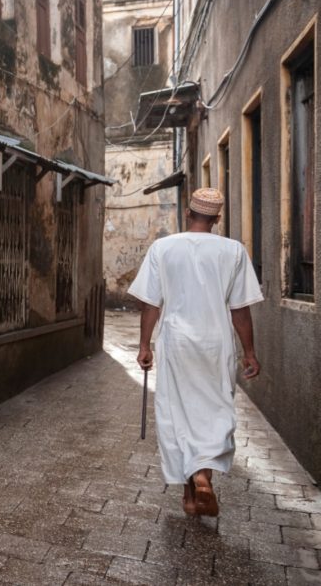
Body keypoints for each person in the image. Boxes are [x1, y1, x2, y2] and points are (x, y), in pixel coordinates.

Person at [127, 188, 263, 517]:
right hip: (216, 344)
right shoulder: (233, 251)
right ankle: (204, 475)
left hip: (176, 342)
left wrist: (145, 345)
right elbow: (240, 310)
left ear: (189, 213)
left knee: (178, 412)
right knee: (215, 409)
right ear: (217, 219)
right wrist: (250, 352)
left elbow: (150, 304)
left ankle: (190, 491)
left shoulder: (163, 247)